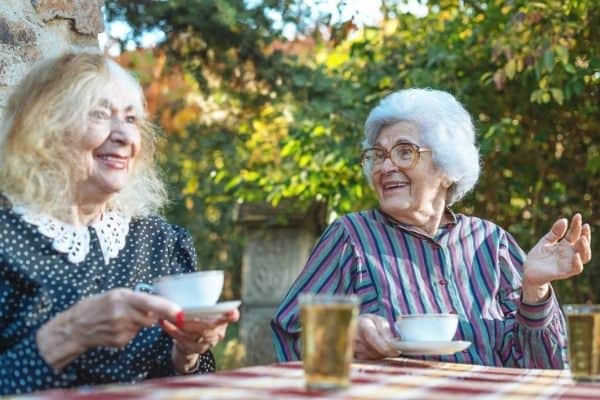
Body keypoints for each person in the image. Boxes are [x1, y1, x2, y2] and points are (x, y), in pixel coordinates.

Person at [272, 88, 592, 368]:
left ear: (447, 168)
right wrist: (340, 340)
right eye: (378, 155)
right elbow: (289, 340)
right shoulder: (350, 238)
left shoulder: (493, 244)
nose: (386, 166)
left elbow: (547, 368)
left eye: (405, 152)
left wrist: (535, 288)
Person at [0, 52, 238, 395]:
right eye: (100, 114)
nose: (125, 136)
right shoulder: (7, 241)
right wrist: (69, 334)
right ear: (46, 126)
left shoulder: (159, 242)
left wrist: (186, 353)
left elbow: (185, 382)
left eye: (131, 119)